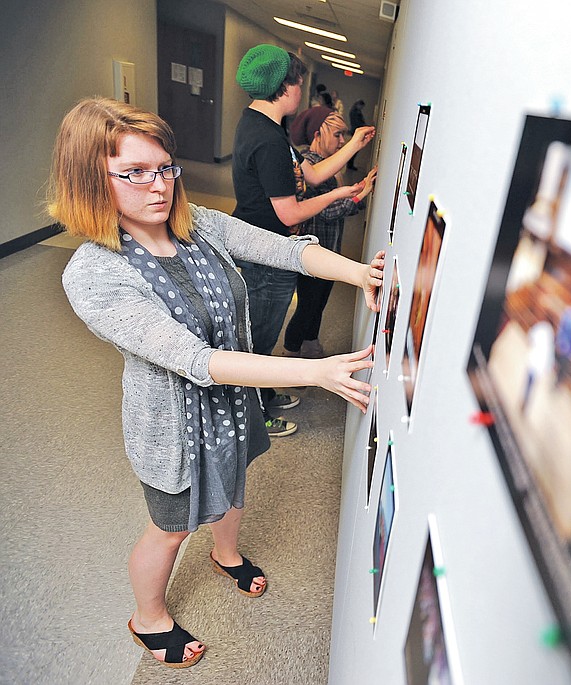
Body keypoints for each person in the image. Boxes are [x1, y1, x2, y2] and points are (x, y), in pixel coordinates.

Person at [51, 97, 385, 669]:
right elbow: (196, 359)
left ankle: (226, 554)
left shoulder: (194, 223)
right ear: (89, 181)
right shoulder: (92, 272)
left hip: (234, 399)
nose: (158, 186)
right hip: (174, 427)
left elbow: (281, 249)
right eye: (134, 174)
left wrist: (361, 274)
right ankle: (147, 618)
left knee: (235, 483)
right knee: (171, 530)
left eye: (164, 168)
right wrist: (316, 373)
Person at [231, 44, 375, 436]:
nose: (302, 88)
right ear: (286, 86)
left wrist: (353, 146)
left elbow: (307, 176)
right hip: (265, 253)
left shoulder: (262, 123)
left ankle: (263, 395)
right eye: (298, 80)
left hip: (266, 247)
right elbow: (290, 212)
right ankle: (253, 416)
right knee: (259, 340)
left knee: (264, 333)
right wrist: (337, 195)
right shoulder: (268, 139)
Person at [284, 110, 378, 357]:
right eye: (337, 134)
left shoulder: (327, 167)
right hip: (313, 251)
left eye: (344, 135)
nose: (341, 141)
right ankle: (291, 352)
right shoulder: (309, 164)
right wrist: (362, 193)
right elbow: (326, 211)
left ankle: (310, 345)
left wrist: (358, 191)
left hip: (328, 248)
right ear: (317, 134)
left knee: (318, 304)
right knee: (307, 306)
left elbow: (338, 204)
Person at [347, 100, 367, 170]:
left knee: (354, 149)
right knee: (355, 149)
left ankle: (350, 164)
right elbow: (357, 123)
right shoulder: (355, 113)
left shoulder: (354, 112)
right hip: (356, 131)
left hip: (355, 131)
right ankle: (350, 164)